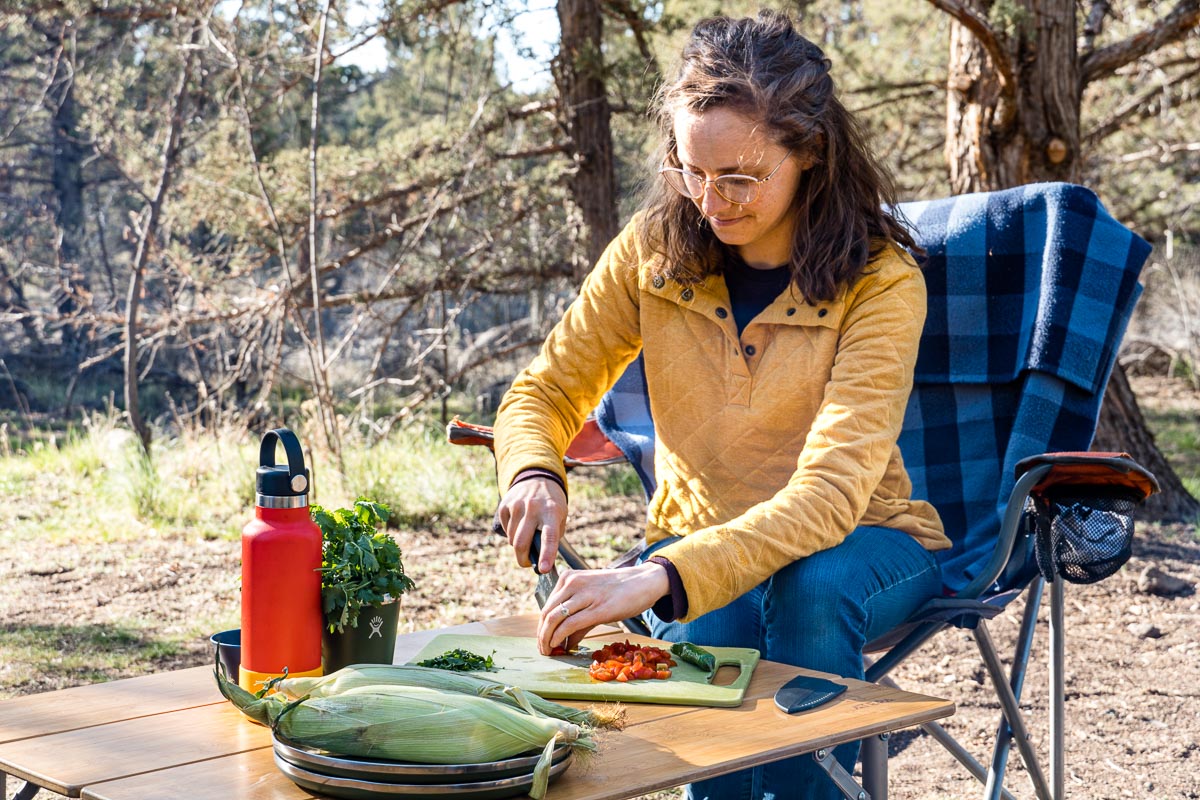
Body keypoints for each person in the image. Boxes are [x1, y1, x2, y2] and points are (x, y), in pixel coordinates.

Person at [493, 10, 951, 799]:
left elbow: (829, 496)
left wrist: (661, 573)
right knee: (716, 618)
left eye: (739, 177)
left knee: (810, 586)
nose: (710, 200)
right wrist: (535, 468)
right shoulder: (650, 252)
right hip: (697, 538)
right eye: (689, 170)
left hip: (863, 540)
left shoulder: (881, 282)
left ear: (809, 154)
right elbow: (546, 389)